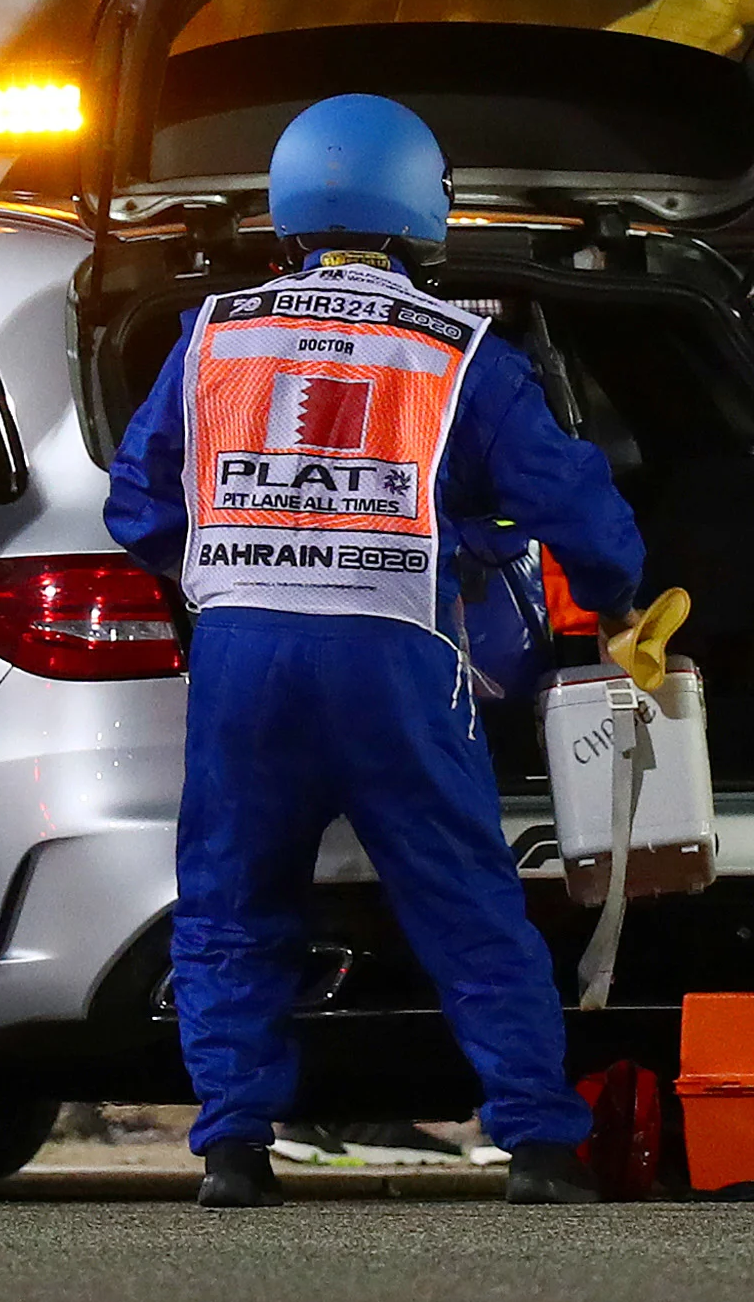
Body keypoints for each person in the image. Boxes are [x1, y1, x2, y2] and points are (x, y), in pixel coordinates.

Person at [104, 93, 640, 1209]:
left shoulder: (213, 333)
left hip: (243, 656)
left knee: (231, 901)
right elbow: (567, 496)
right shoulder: (460, 350)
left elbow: (141, 500)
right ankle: (539, 1146)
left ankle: (235, 1150)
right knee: (463, 898)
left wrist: (224, 571)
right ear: (420, 206)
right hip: (392, 652)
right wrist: (615, 594)